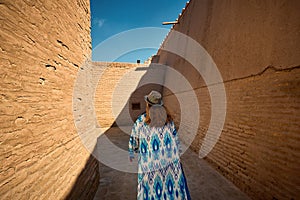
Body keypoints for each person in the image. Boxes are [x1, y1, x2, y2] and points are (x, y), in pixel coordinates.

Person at [129, 90, 191, 200]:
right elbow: (176, 144)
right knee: (171, 190)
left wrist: (133, 152)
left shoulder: (140, 122)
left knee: (151, 191)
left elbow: (134, 144)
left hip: (150, 165)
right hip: (170, 163)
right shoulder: (168, 121)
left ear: (148, 105)